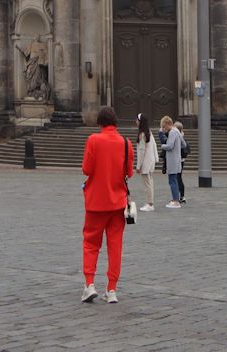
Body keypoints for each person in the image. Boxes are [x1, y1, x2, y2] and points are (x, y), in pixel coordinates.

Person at [80, 105, 134, 306]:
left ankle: (89, 285)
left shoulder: (93, 140)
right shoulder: (126, 143)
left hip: (96, 202)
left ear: (100, 122)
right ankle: (111, 290)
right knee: (115, 246)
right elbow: (129, 172)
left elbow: (86, 169)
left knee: (91, 244)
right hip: (118, 204)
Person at [159, 115, 183, 208]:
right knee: (174, 180)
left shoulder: (172, 132)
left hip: (173, 160)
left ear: (166, 124)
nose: (164, 129)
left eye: (164, 127)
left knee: (172, 181)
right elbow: (183, 144)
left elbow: (169, 146)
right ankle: (175, 199)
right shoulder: (177, 131)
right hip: (176, 159)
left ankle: (176, 201)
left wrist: (162, 146)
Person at [135, 113, 157, 211]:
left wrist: (138, 166)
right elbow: (154, 146)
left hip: (145, 162)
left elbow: (141, 151)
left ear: (140, 122)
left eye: (137, 120)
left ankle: (150, 204)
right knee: (150, 183)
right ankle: (150, 202)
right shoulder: (149, 132)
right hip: (150, 161)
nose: (135, 121)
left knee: (147, 184)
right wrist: (156, 159)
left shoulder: (142, 134)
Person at [174, 120, 190, 204]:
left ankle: (180, 196)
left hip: (179, 160)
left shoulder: (179, 137)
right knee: (178, 178)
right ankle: (181, 196)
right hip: (180, 160)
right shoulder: (181, 136)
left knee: (178, 178)